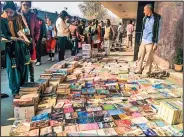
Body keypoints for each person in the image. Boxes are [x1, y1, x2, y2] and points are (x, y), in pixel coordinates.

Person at [1, 1, 30, 97]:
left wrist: (25, 32)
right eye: (7, 12)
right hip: (11, 46)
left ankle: (24, 88)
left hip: (22, 45)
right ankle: (15, 91)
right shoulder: (2, 19)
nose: (9, 14)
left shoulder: (19, 16)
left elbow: (25, 29)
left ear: (14, 11)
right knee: (13, 69)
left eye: (11, 12)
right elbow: (4, 34)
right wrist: (13, 38)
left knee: (24, 67)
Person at [135, 4, 161, 75]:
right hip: (143, 40)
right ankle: (138, 70)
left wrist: (155, 43)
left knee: (148, 59)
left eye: (144, 10)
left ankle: (146, 72)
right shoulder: (144, 18)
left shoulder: (157, 18)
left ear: (149, 10)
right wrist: (140, 39)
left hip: (150, 41)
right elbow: (143, 29)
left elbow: (158, 30)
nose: (143, 12)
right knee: (140, 56)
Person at [19, 1, 40, 82]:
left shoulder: (33, 16)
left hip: (30, 42)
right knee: (22, 63)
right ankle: (23, 82)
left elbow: (38, 29)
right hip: (20, 42)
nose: (26, 6)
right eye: (24, 4)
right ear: (21, 4)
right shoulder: (17, 15)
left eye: (28, 5)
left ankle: (32, 80)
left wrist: (35, 39)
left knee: (30, 62)